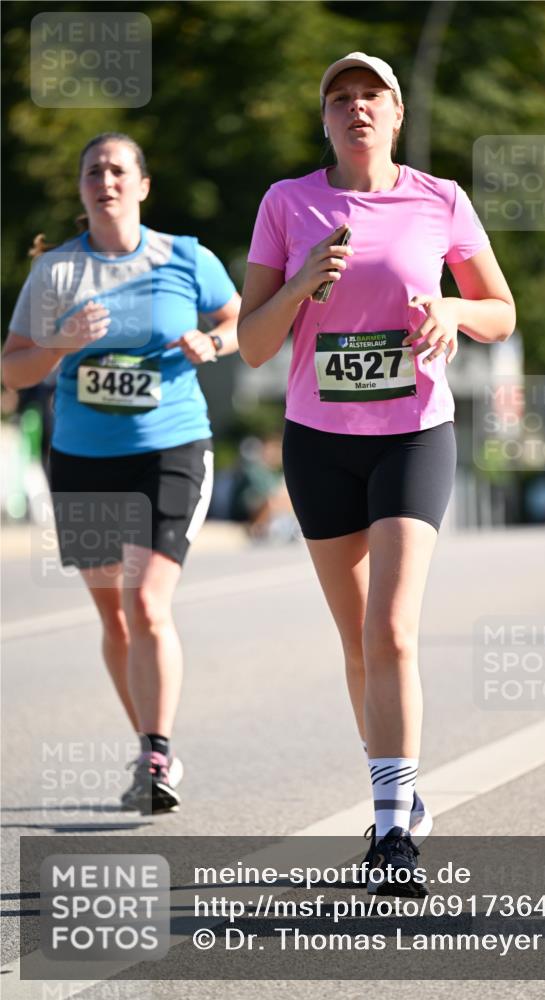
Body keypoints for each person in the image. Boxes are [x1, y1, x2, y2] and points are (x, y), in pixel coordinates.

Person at [238, 53, 515, 895]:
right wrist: (298, 286)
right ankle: (401, 785)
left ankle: (390, 831)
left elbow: (499, 313)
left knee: (391, 630)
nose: (356, 108)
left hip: (412, 435)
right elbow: (252, 343)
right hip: (318, 441)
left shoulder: (441, 200)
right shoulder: (287, 204)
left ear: (394, 115)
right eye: (340, 98)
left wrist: (452, 311)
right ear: (323, 119)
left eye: (371, 97)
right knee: (358, 641)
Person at [2, 133, 241, 815]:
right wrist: (60, 345)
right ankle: (147, 738)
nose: (104, 180)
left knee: (145, 602)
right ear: (81, 189)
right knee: (114, 617)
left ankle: (155, 754)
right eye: (91, 172)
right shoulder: (56, 272)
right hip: (83, 457)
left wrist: (213, 342)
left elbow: (239, 321)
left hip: (170, 448)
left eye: (116, 169)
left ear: (142, 184)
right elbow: (12, 368)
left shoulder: (185, 257)